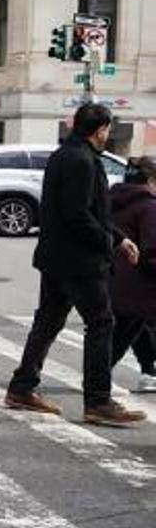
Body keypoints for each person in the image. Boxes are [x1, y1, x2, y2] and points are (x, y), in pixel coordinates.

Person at [6, 103, 146, 427]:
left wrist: (119, 237)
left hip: (57, 257)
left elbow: (91, 212)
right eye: (108, 130)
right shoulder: (82, 160)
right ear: (99, 130)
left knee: (49, 321)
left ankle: (22, 387)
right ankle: (98, 401)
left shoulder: (65, 154)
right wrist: (108, 242)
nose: (108, 135)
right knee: (101, 323)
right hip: (78, 261)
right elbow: (78, 214)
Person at [108, 156, 156, 393]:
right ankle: (99, 375)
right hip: (138, 281)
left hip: (111, 277)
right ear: (150, 180)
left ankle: (149, 371)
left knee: (135, 326)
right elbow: (152, 249)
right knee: (128, 329)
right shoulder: (149, 206)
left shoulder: (112, 198)